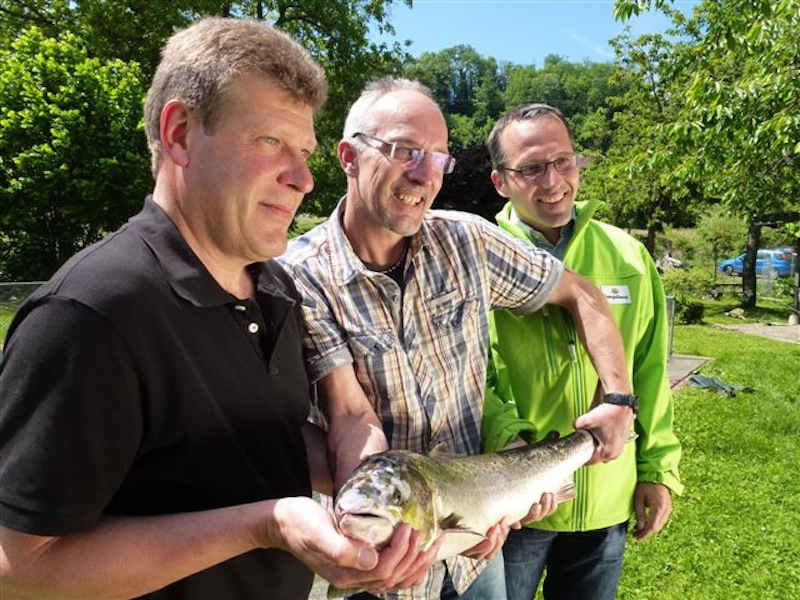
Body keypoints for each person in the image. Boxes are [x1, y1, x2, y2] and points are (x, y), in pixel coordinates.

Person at [0, 18, 437, 600]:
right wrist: (267, 525)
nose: (303, 179)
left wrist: (398, 493)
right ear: (179, 133)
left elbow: (248, 440)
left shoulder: (275, 287)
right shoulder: (91, 314)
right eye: (270, 142)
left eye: (304, 151)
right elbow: (19, 567)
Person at [278, 77, 638, 600]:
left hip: (475, 558)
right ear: (348, 156)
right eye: (405, 151)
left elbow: (582, 294)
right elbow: (351, 417)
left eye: (439, 157)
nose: (424, 174)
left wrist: (619, 398)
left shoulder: (466, 242)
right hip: (377, 562)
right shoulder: (299, 276)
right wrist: (407, 526)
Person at [482, 103, 684, 600]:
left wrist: (657, 469)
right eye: (530, 168)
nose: (552, 180)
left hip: (606, 496)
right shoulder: (478, 255)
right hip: (518, 496)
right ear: (500, 181)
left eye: (563, 161)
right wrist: (515, 450)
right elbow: (473, 375)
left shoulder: (627, 256)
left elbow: (649, 369)